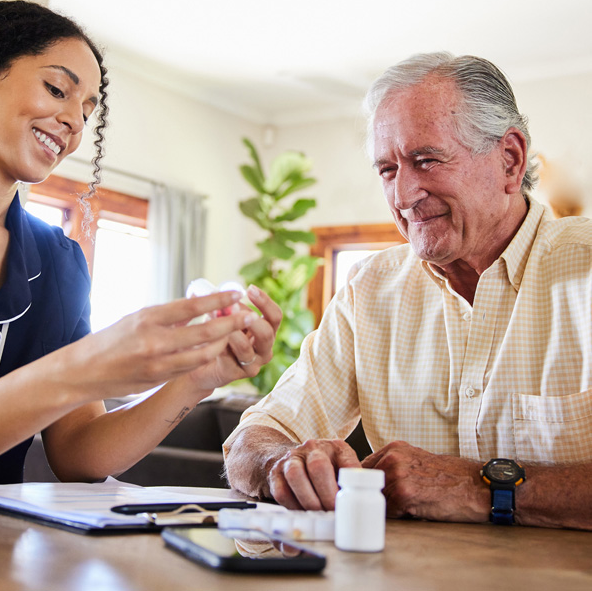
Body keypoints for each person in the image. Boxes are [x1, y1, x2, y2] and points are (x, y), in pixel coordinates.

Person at [0, 0, 281, 495]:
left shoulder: (60, 261)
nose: (75, 122)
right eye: (57, 89)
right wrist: (84, 367)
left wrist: (196, 378)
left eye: (87, 110)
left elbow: (80, 452)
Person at [224, 52, 592, 530]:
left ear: (510, 160)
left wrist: (471, 486)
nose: (403, 196)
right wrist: (285, 465)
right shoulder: (370, 289)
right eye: (387, 170)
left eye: (426, 160)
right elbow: (254, 437)